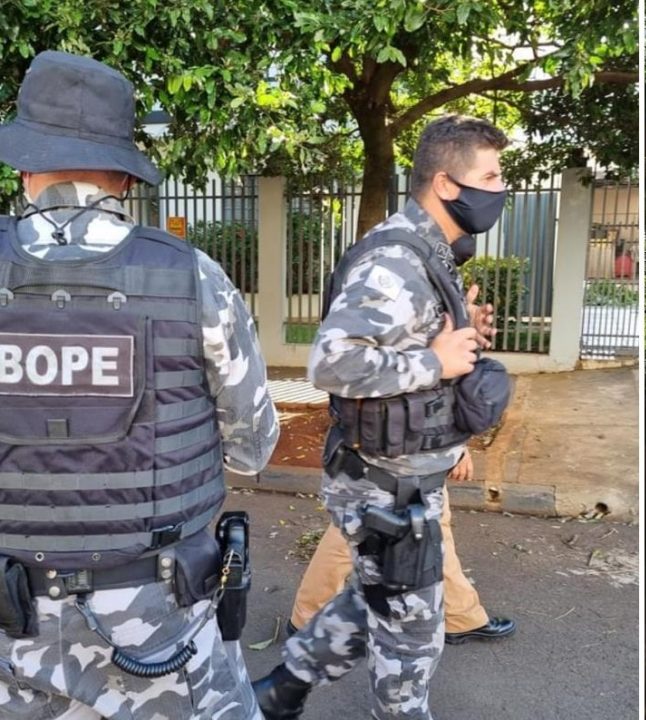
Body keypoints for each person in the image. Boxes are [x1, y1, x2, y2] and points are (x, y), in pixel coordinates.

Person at [0, 51, 278, 718]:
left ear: (25, 165)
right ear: (123, 177)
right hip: (157, 627)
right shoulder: (193, 278)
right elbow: (253, 447)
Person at [253, 114, 511, 720]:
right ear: (448, 184)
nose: (502, 189)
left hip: (408, 476)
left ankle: (283, 687)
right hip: (382, 483)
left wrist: (462, 339)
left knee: (377, 595)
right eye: (492, 175)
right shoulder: (393, 262)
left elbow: (411, 344)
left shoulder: (431, 253)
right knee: (412, 646)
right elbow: (333, 364)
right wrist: (436, 361)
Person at [287, 446, 516, 645]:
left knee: (431, 528)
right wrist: (456, 448)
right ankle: (309, 616)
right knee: (350, 535)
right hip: (399, 447)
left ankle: (460, 613)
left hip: (388, 443)